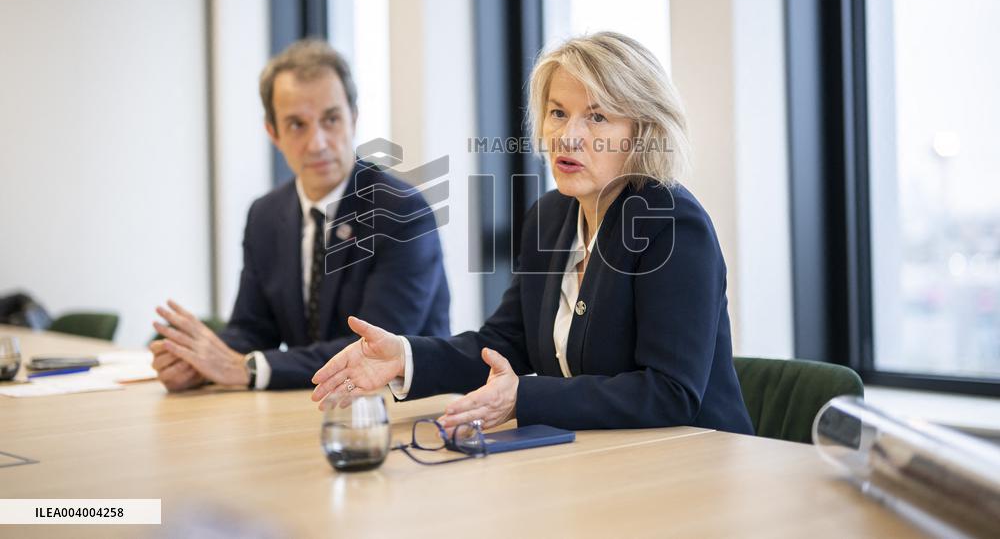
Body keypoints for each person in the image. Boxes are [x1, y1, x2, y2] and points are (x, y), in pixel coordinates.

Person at [310, 31, 753, 434]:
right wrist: (404, 358)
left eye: (596, 117)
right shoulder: (551, 216)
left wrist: (522, 397)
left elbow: (670, 394)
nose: (568, 136)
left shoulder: (671, 222)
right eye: (558, 113)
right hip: (598, 465)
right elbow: (505, 343)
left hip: (694, 466)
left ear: (642, 132)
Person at [150, 39, 450, 391]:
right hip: (309, 407)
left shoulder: (402, 211)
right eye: (297, 125)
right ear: (272, 133)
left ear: (353, 118)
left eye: (331, 119)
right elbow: (252, 329)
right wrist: (199, 362)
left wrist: (245, 368)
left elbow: (372, 350)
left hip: (402, 412)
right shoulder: (265, 215)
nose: (318, 143)